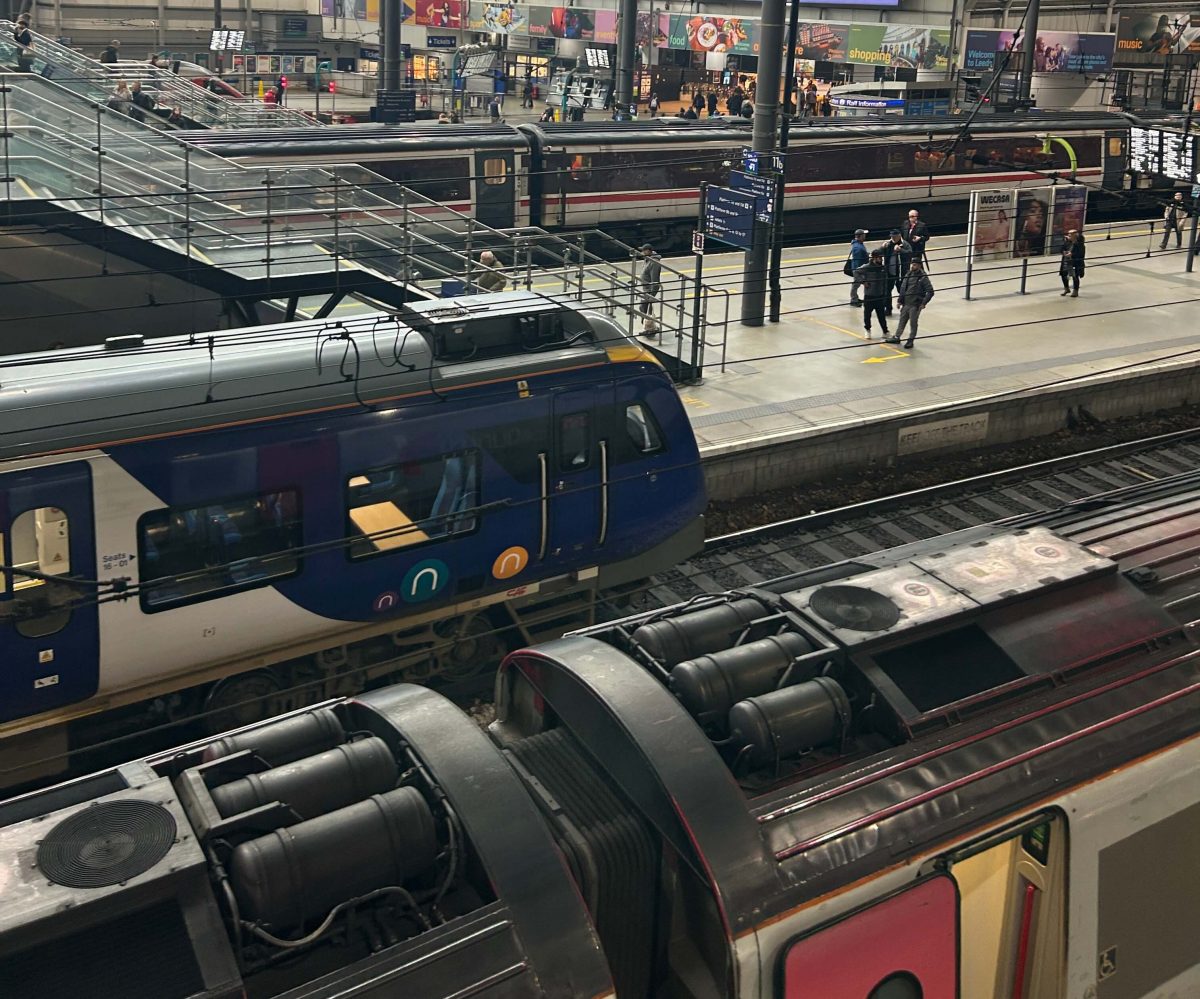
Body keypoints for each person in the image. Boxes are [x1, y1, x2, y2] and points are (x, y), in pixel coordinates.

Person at [886, 259, 934, 349]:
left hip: (915, 305)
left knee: (913, 323)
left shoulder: (923, 278)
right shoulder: (908, 274)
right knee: (902, 321)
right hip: (906, 304)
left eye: (915, 265)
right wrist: (900, 301)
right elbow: (903, 288)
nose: (912, 266)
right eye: (912, 264)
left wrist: (923, 303)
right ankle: (897, 337)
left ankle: (911, 340)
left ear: (919, 266)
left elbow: (930, 292)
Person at [853, 249, 890, 339]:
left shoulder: (883, 268)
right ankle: (867, 330)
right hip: (869, 295)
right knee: (867, 315)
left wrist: (885, 294)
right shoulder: (867, 267)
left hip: (880, 295)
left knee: (881, 315)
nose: (881, 259)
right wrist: (863, 282)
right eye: (879, 257)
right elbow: (855, 272)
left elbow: (885, 282)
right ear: (874, 258)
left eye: (881, 257)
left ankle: (885, 331)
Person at [879, 230, 913, 315]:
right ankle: (888, 308)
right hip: (890, 273)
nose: (892, 238)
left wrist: (900, 250)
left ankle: (905, 309)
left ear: (899, 236)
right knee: (887, 292)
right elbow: (877, 253)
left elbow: (910, 254)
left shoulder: (905, 244)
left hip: (901, 273)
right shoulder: (888, 244)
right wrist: (882, 247)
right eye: (891, 236)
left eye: (894, 236)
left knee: (903, 291)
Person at [638, 243, 662, 337]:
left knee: (644, 307)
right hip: (646, 289)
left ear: (648, 251)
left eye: (643, 251)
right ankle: (651, 328)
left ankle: (649, 328)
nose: (642, 253)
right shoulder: (647, 260)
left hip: (649, 290)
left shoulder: (654, 263)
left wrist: (652, 294)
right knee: (648, 309)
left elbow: (655, 280)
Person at [845, 228, 870, 306]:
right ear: (860, 236)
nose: (865, 236)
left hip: (858, 269)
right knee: (856, 284)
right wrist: (859, 273)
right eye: (863, 235)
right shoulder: (858, 248)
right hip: (859, 270)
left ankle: (854, 298)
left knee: (856, 284)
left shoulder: (858, 244)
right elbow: (858, 261)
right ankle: (853, 300)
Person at [1059, 229, 1085, 297]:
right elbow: (1061, 249)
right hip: (1066, 262)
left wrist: (1072, 254)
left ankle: (1075, 291)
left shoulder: (1080, 245)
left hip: (1074, 263)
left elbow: (1081, 254)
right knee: (1064, 275)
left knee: (1075, 277)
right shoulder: (1067, 243)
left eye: (1070, 235)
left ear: (1075, 236)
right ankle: (1066, 288)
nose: (1068, 236)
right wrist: (1063, 252)